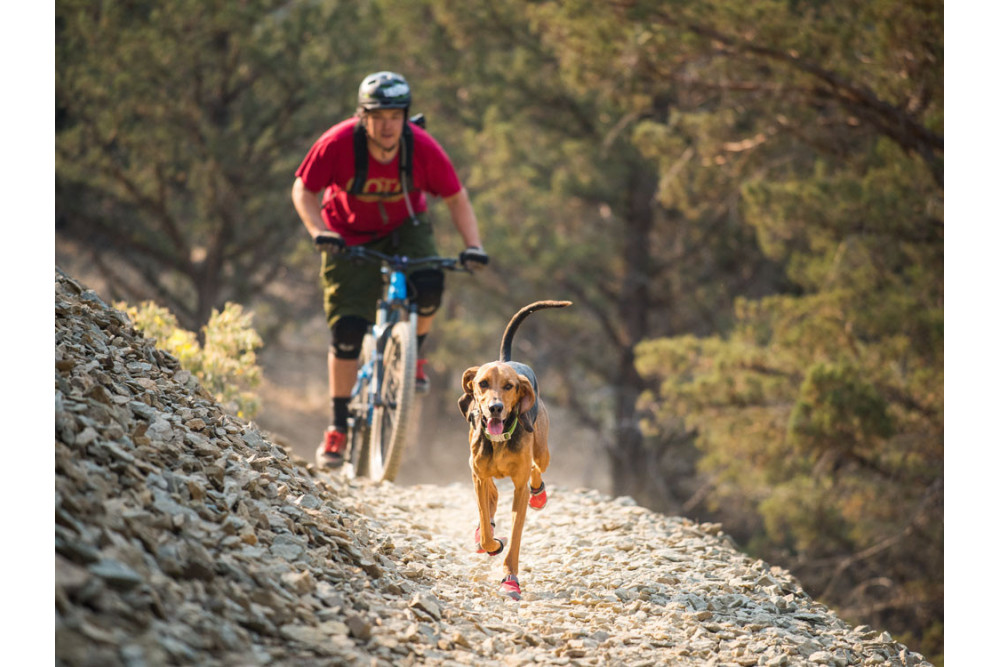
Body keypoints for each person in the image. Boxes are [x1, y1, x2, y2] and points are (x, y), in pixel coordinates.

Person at [292, 71, 488, 469]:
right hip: (346, 232)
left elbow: (455, 197)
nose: (387, 125)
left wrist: (473, 246)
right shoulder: (337, 143)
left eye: (395, 116)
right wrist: (320, 232)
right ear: (362, 117)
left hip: (406, 226)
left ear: (405, 118)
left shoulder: (422, 149)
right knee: (347, 329)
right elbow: (303, 189)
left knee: (430, 283)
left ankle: (412, 355)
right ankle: (338, 425)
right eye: (377, 116)